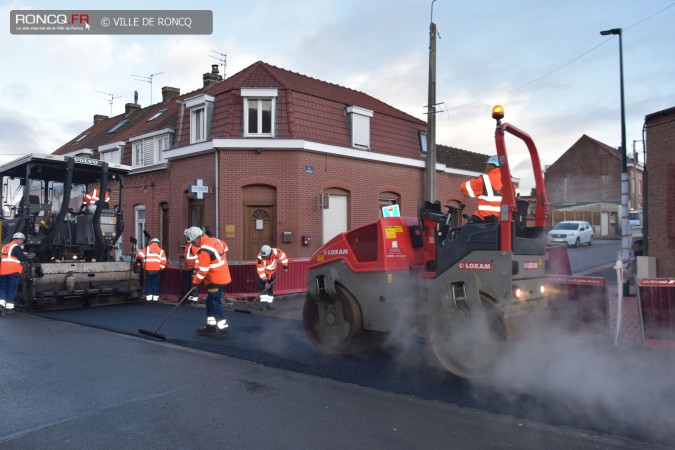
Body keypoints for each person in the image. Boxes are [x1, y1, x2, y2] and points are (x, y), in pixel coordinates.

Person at [186, 226, 231, 338]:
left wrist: (195, 282)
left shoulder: (203, 250)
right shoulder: (215, 240)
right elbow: (225, 248)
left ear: (197, 238)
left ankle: (223, 330)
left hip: (215, 279)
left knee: (215, 303)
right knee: (210, 302)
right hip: (222, 276)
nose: (193, 244)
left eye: (193, 241)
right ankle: (211, 326)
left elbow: (204, 270)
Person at [459, 154, 517, 223]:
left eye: (487, 165)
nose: (486, 167)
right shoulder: (512, 184)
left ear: (491, 166)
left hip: (485, 219)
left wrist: (476, 180)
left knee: (463, 231)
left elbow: (463, 188)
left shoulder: (485, 179)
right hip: (505, 221)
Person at [0, 232, 28, 315]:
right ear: (16, 239)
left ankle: (0, 306)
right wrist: (24, 254)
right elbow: (23, 258)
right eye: (21, 240)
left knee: (3, 289)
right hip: (13, 272)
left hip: (3, 272)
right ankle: (10, 309)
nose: (22, 241)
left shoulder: (5, 247)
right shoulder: (16, 247)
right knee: (11, 290)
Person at [255, 245, 288, 310]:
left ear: (269, 253)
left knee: (270, 289)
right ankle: (264, 305)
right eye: (263, 256)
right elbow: (260, 271)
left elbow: (283, 257)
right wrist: (265, 282)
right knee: (263, 289)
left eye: (265, 256)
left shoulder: (276, 252)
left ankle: (269, 305)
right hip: (264, 273)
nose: (264, 257)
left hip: (272, 272)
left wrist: (285, 267)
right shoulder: (259, 258)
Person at [182, 229, 200, 303]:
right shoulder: (188, 245)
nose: (185, 238)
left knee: (193, 284)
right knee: (189, 284)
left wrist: (195, 268)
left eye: (186, 237)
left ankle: (194, 300)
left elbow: (198, 257)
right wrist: (183, 256)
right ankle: (190, 298)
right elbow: (188, 255)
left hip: (193, 268)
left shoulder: (193, 246)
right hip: (188, 268)